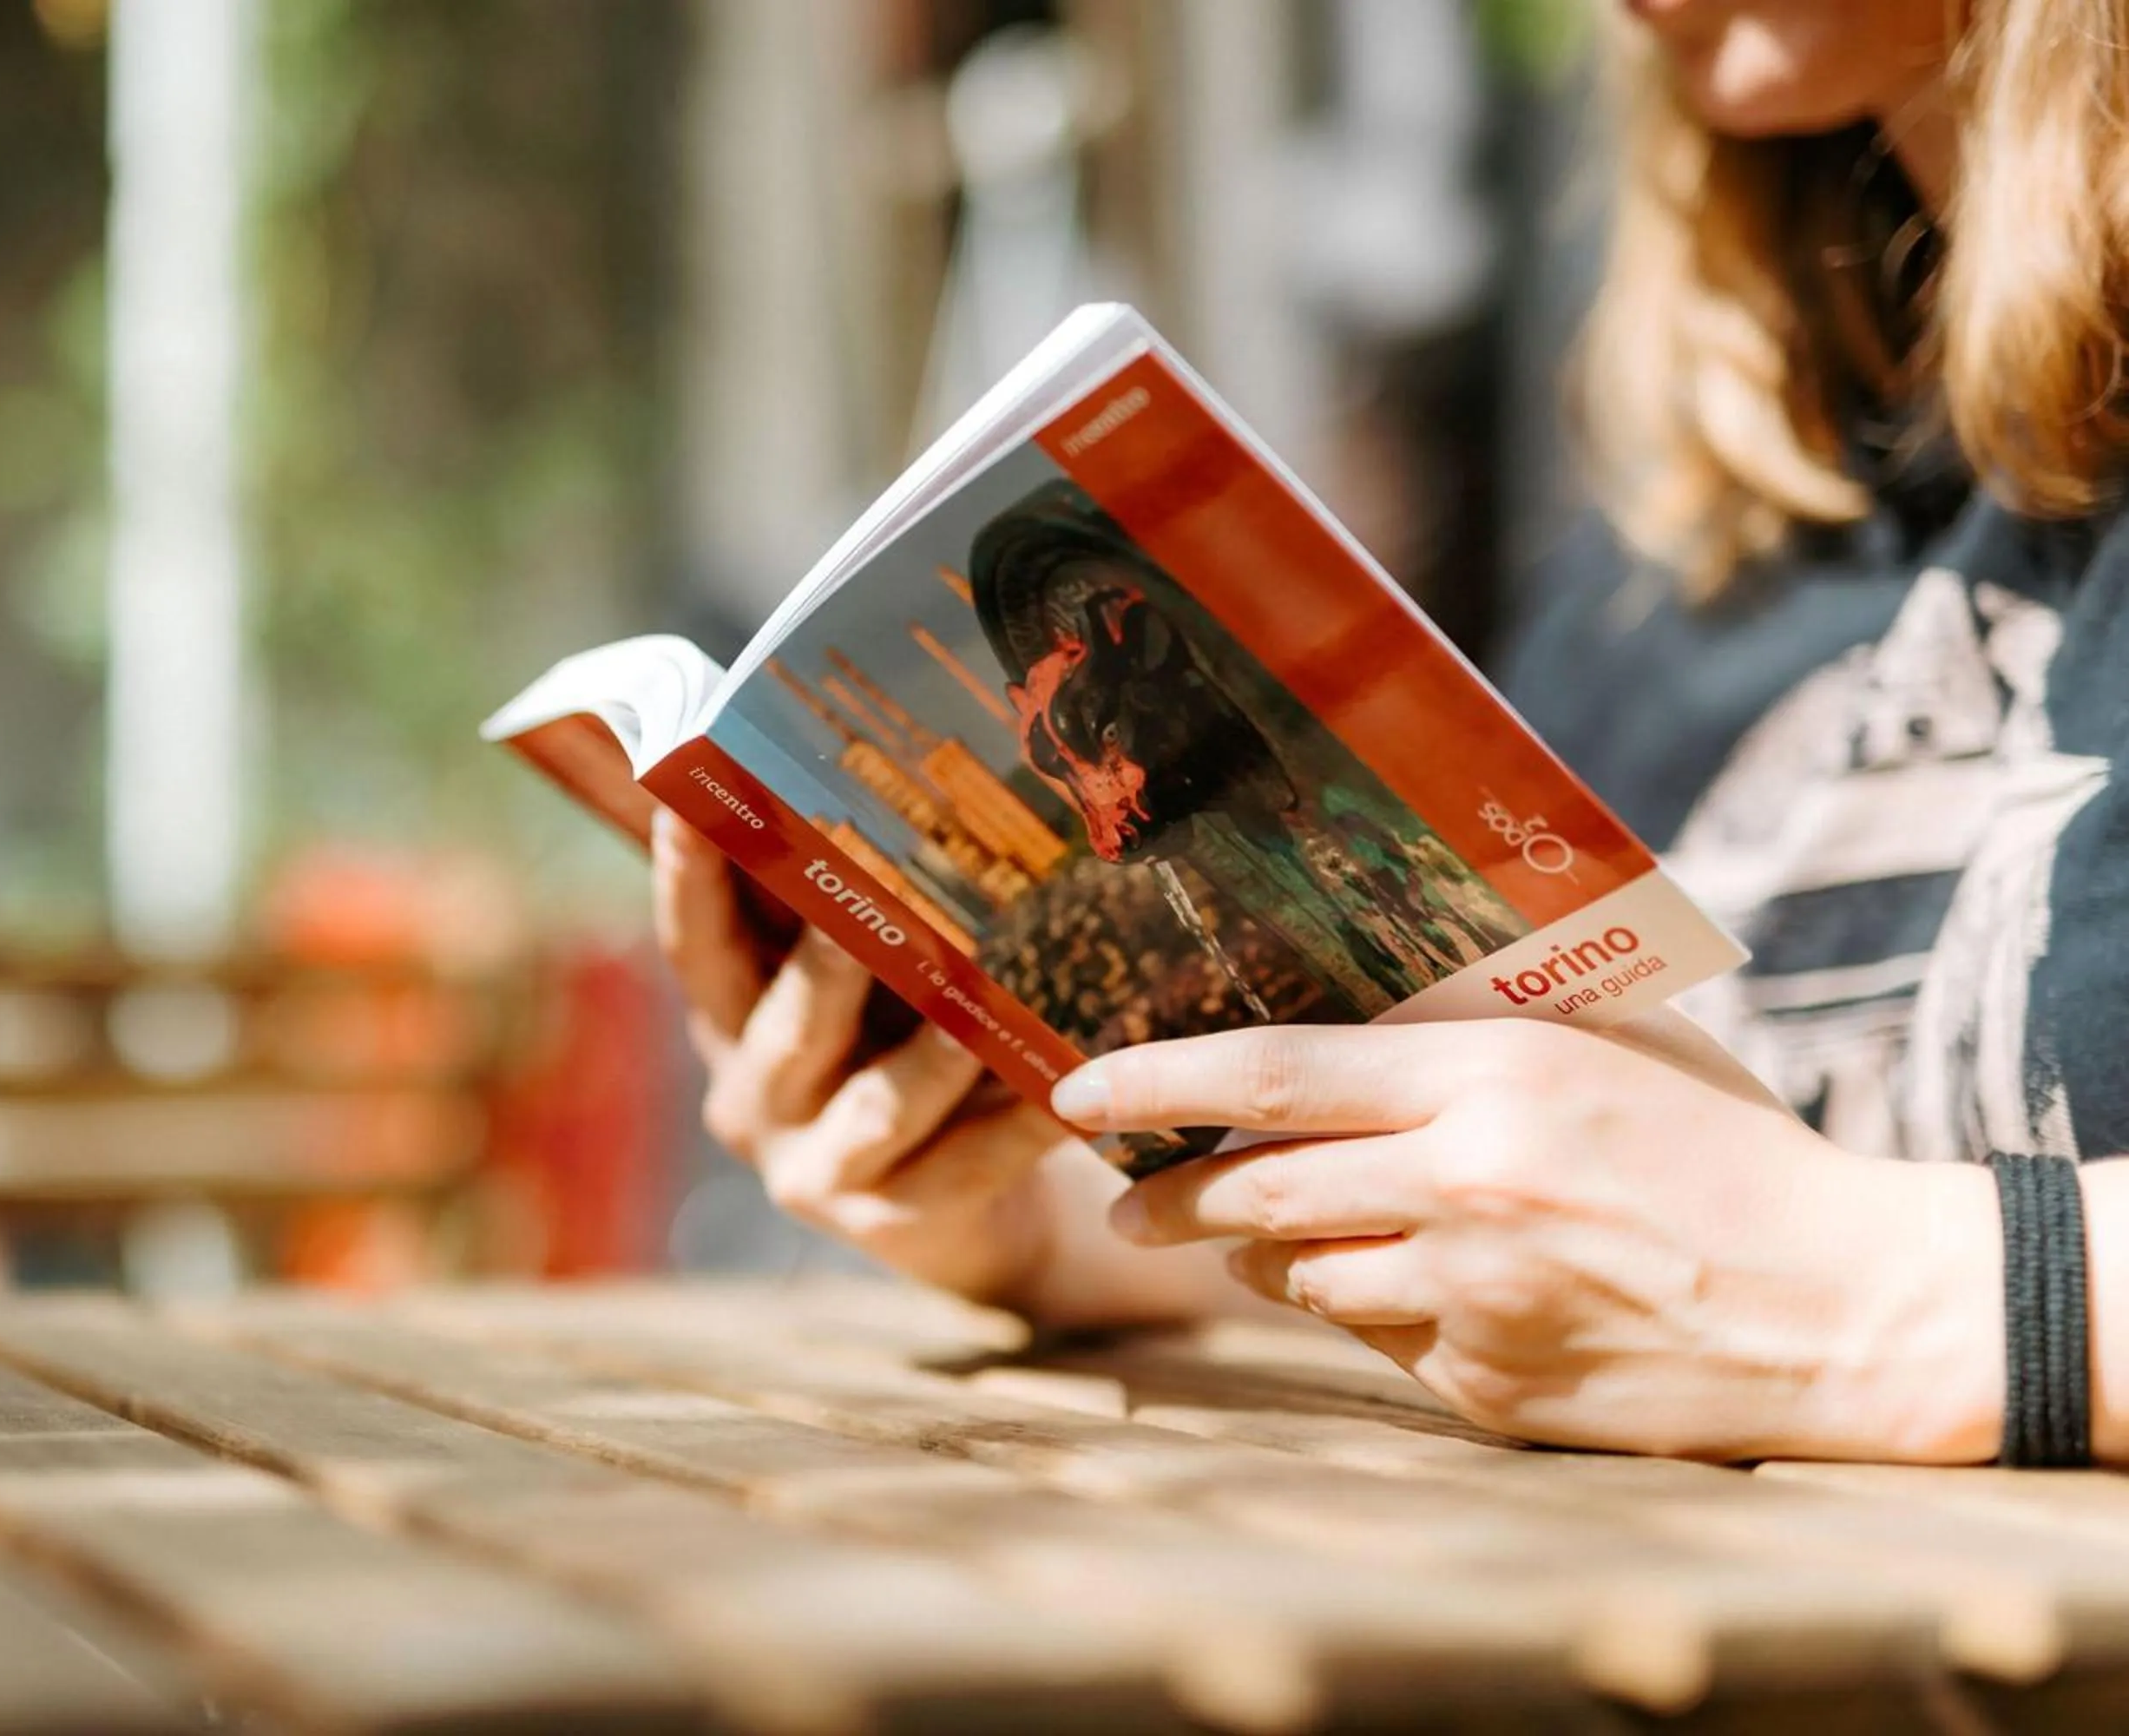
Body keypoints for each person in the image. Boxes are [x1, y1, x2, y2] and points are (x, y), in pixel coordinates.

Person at [653, 0, 2129, 1465]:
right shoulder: (1711, 506)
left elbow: (1780, 1273)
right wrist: (1050, 1208)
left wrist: (1923, 1303)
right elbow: (1594, 1240)